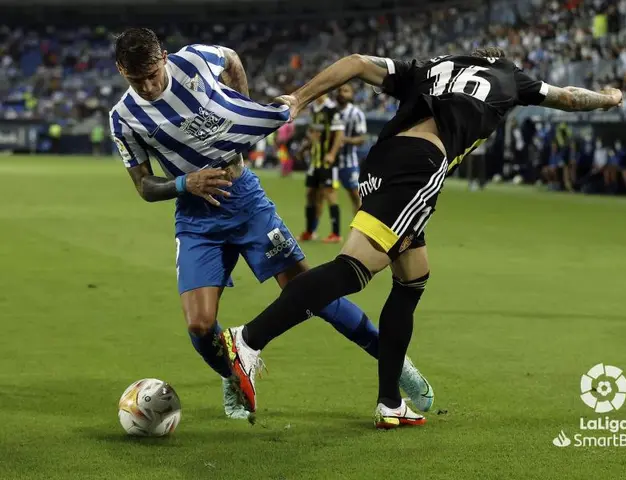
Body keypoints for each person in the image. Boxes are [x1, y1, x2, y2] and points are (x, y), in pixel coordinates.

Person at [219, 48, 623, 429]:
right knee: (354, 270)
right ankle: (249, 338)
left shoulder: (430, 67)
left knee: (413, 277)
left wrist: (300, 97)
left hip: (383, 160)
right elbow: (569, 98)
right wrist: (608, 98)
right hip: (422, 164)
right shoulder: (512, 77)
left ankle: (390, 402)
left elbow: (357, 63)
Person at [108, 28, 432, 421]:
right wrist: (183, 183)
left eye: (152, 74)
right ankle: (233, 375)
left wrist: (241, 112)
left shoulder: (193, 60)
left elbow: (230, 58)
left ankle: (394, 361)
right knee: (199, 324)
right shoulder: (124, 117)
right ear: (121, 71)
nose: (146, 85)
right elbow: (143, 185)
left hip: (246, 202)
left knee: (313, 293)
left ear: (163, 57)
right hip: (196, 218)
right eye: (135, 79)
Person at [298, 95, 344, 243]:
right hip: (315, 161)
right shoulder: (313, 109)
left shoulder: (332, 109)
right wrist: (305, 148)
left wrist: (332, 154)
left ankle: (336, 233)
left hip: (327, 162)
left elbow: (339, 133)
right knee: (310, 194)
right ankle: (309, 231)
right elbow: (313, 133)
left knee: (329, 195)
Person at [336, 83, 367, 214]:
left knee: (356, 196)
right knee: (322, 194)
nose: (342, 93)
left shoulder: (356, 113)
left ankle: (359, 230)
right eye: (340, 90)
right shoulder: (332, 111)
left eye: (346, 91)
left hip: (348, 162)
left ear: (352, 95)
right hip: (329, 163)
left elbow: (361, 139)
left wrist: (343, 139)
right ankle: (317, 231)